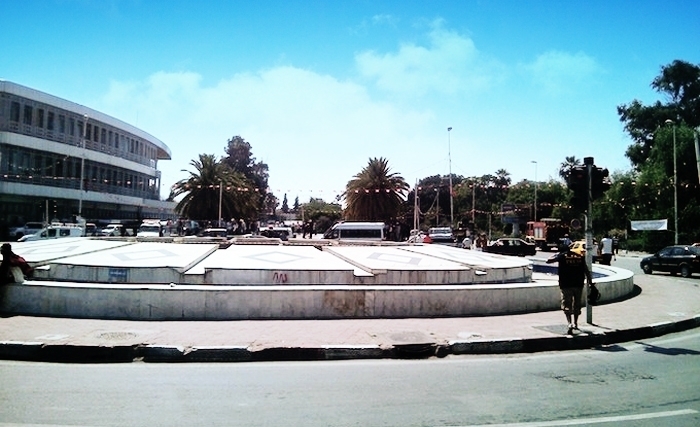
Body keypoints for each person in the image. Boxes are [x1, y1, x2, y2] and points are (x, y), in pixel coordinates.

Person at [546, 243, 593, 335]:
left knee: (567, 304)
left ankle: (569, 323)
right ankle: (576, 323)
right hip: (578, 284)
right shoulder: (579, 256)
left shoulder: (562, 256)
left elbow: (548, 261)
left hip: (566, 284)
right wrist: (590, 282)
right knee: (577, 304)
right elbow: (586, 270)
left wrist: (557, 255)